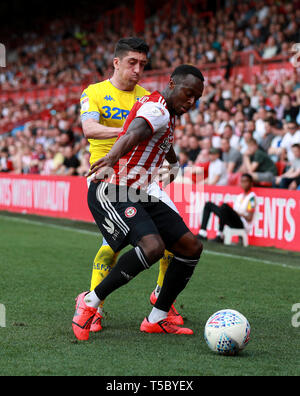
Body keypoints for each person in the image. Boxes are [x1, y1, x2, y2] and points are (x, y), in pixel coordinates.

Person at [72, 64, 204, 340]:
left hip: (138, 191)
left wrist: (174, 162)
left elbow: (160, 140)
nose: (191, 102)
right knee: (152, 247)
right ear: (172, 84)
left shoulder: (166, 112)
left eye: (196, 98)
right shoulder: (156, 109)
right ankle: (89, 302)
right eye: (188, 94)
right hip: (111, 189)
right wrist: (112, 155)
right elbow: (134, 132)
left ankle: (157, 318)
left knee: (190, 246)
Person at [80, 37, 182, 333]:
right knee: (109, 249)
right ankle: (92, 307)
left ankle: (162, 300)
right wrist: (130, 129)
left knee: (178, 242)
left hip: (145, 179)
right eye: (131, 63)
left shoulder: (148, 98)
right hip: (108, 176)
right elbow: (89, 128)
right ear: (116, 62)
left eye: (142, 64)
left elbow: (164, 133)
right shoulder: (95, 92)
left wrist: (173, 163)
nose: (137, 70)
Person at [197, 173, 256, 243]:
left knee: (225, 207)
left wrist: (237, 213)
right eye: (242, 181)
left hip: (242, 224)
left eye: (246, 181)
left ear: (251, 183)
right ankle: (202, 232)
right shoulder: (240, 196)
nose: (244, 184)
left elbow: (249, 218)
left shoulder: (251, 198)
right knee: (209, 205)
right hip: (233, 220)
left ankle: (220, 235)